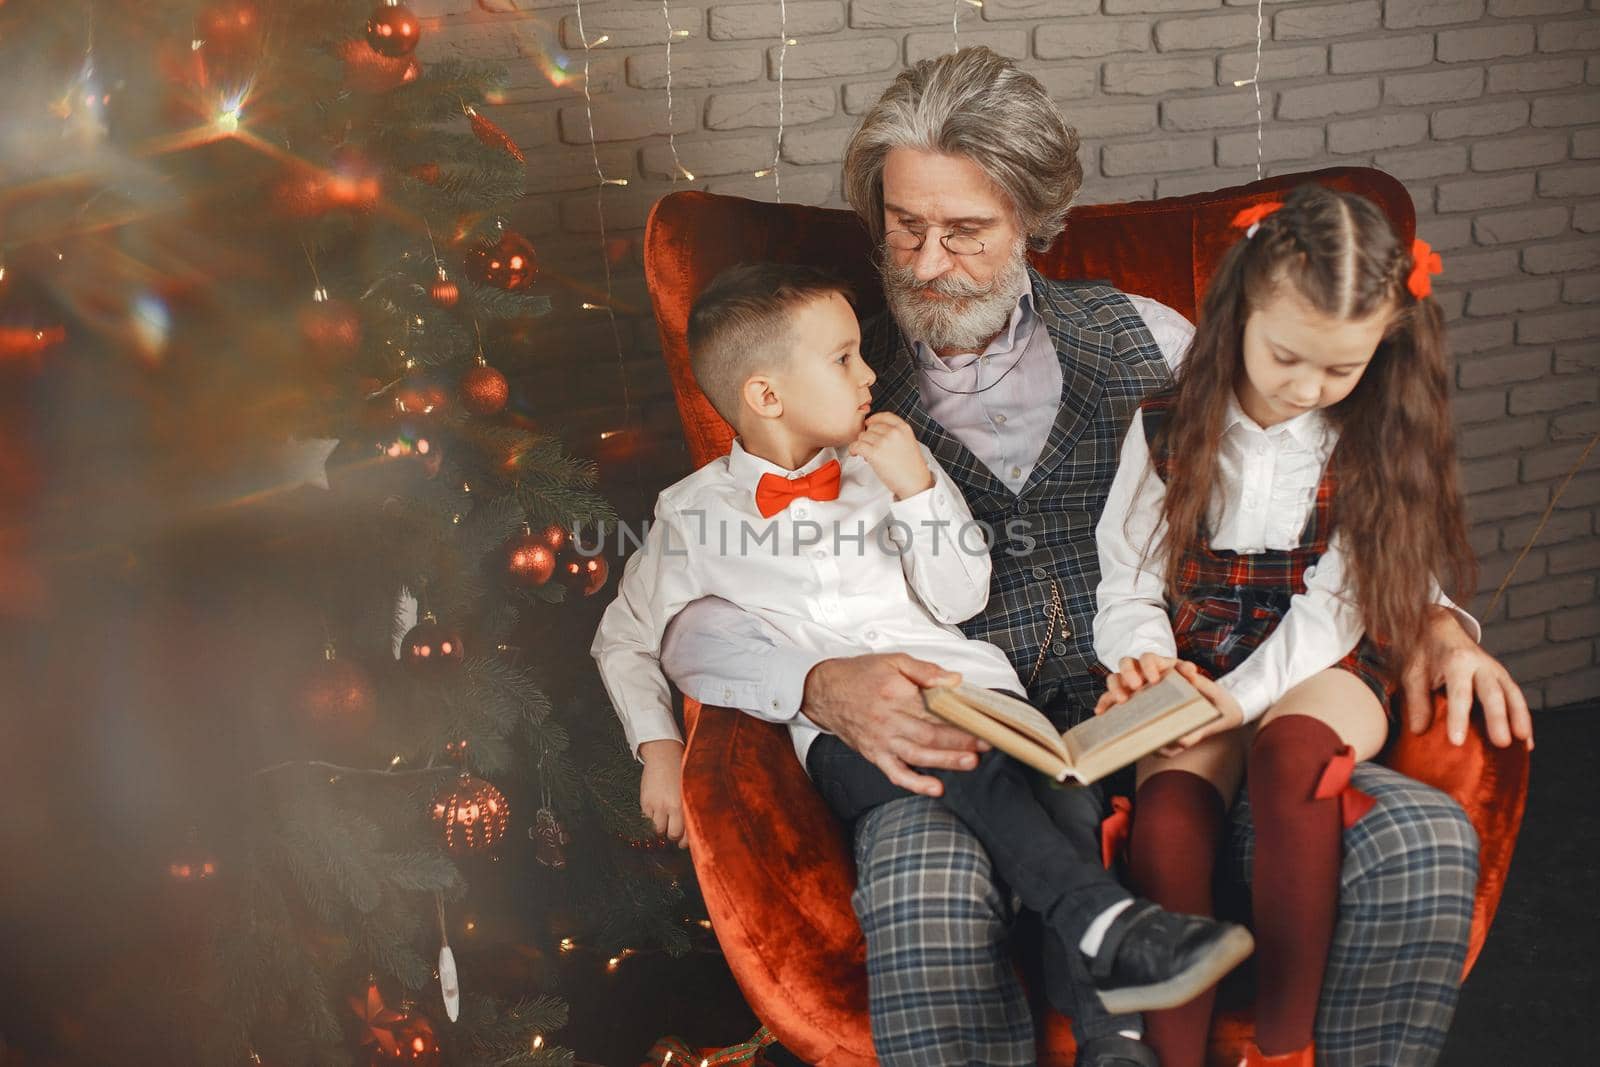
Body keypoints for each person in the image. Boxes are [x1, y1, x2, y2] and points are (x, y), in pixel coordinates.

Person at [658, 47, 1532, 1067]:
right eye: (905, 227)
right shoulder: (816, 382)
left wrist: (1430, 617)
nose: (929, 262)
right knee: (919, 887)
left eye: (968, 232)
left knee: (1418, 842)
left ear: (1032, 219)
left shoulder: (1150, 341)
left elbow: (1305, 490)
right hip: (957, 757)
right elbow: (706, 582)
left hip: (1179, 724)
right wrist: (814, 678)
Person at [592, 261, 1253, 1030]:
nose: (871, 371)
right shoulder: (691, 513)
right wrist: (659, 749)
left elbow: (960, 594)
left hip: (979, 692)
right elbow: (623, 638)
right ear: (766, 395)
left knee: (1067, 800)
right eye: (843, 359)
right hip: (851, 738)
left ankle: (1115, 1041)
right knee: (964, 762)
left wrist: (916, 490)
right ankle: (1107, 921)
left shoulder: (891, 462)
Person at [1092, 184, 1533, 1067]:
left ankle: (1284, 1048)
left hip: (1331, 653)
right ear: (1239, 316)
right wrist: (1145, 661)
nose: (1306, 388)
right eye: (1286, 356)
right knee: (1170, 817)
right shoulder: (1166, 426)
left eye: (1341, 367)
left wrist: (1242, 699)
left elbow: (1339, 604)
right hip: (1202, 652)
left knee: (1294, 756)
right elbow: (1129, 575)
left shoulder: (1372, 435)